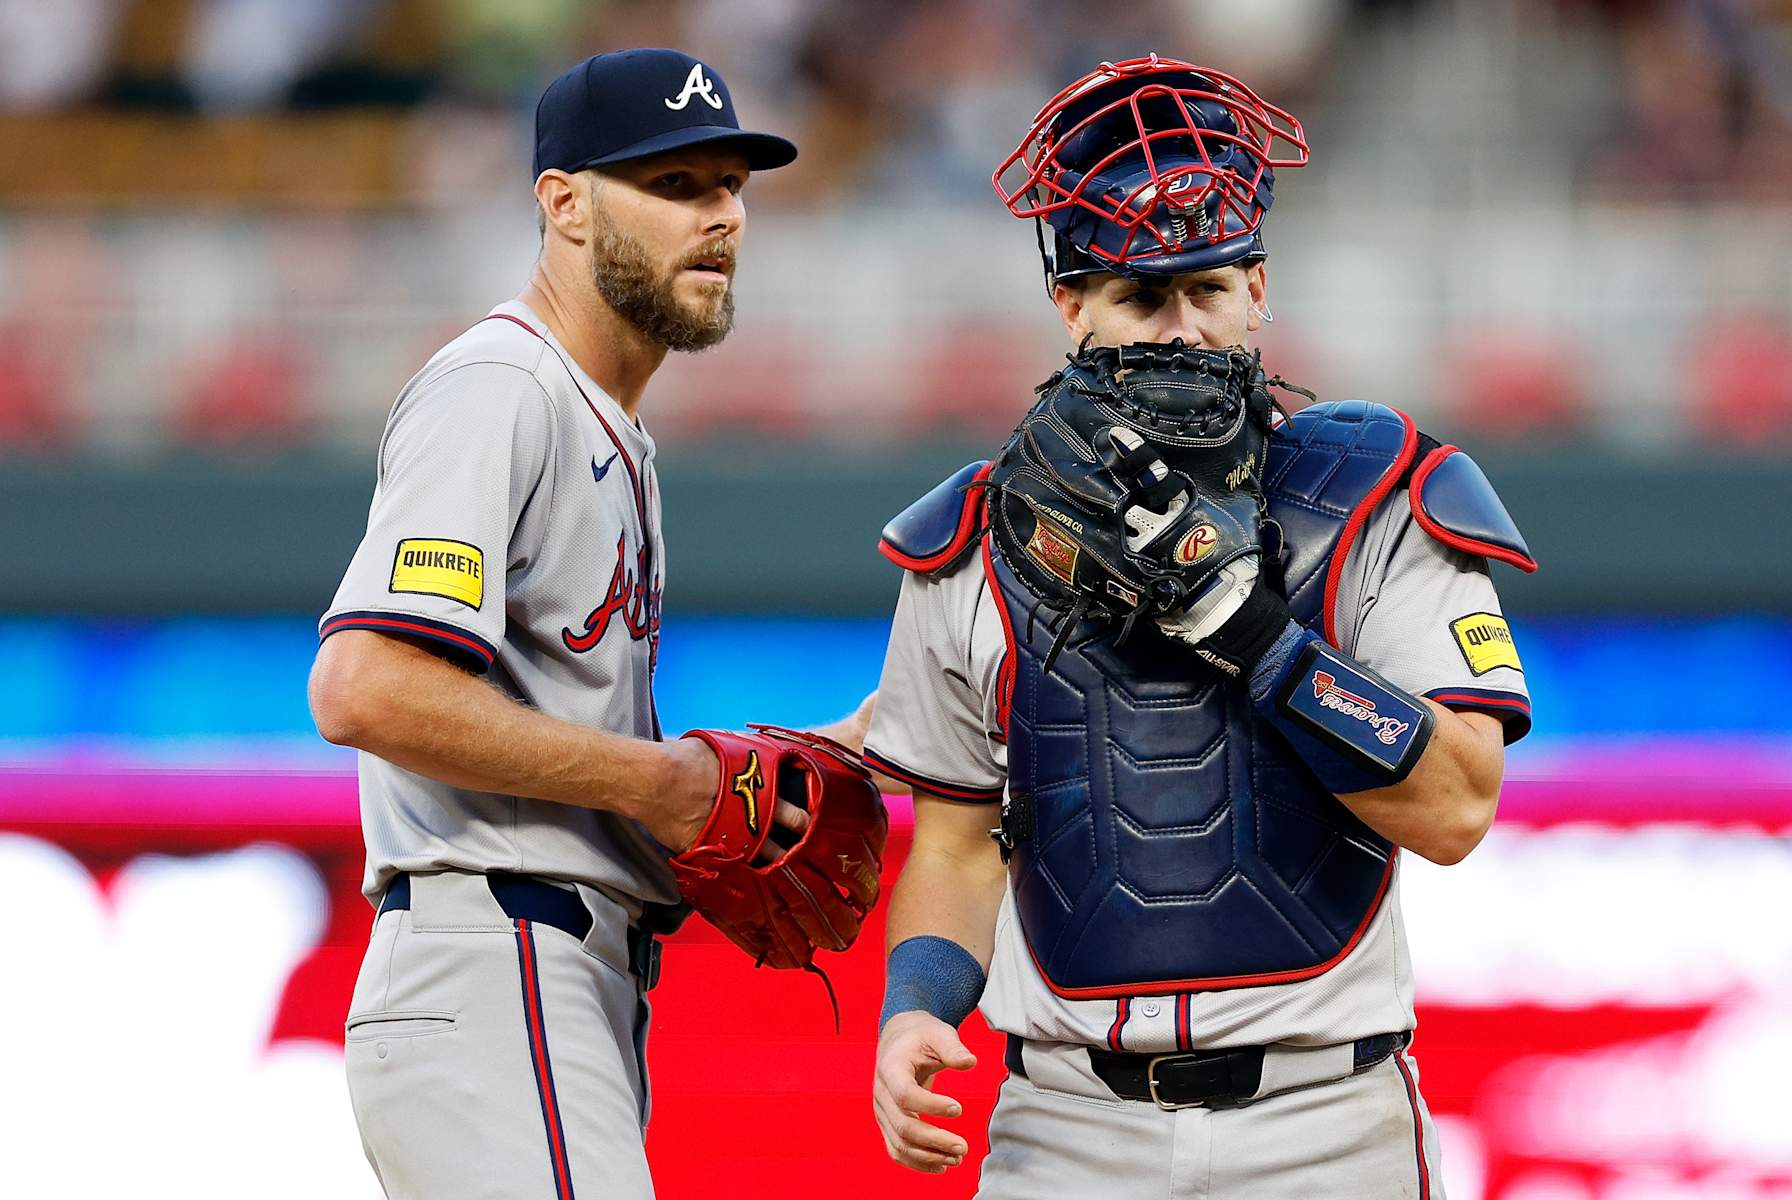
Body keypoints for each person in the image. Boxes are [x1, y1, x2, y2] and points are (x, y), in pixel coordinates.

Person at [865, 54, 1536, 1197]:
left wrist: (1256, 637)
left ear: (1259, 287)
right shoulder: (977, 529)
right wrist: (915, 1007)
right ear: (1070, 305)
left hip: (1328, 1124)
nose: (1180, 331)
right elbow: (954, 837)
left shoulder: (1378, 495)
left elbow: (1460, 804)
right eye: (1138, 298)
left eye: (1209, 289)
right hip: (1065, 1126)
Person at [308, 48, 871, 1200]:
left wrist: (856, 739)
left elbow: (565, 722)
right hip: (497, 947)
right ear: (562, 204)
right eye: (673, 187)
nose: (717, 217)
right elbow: (363, 686)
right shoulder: (503, 388)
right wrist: (660, 786)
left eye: (729, 186)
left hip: (549, 975)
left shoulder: (607, 424)